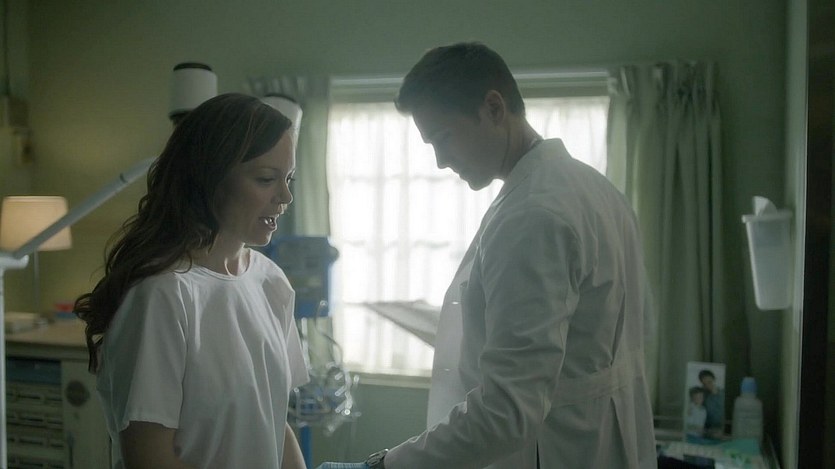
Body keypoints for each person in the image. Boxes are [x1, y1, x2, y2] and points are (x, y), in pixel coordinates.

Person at [319, 42, 656, 469]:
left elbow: (506, 413)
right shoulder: (593, 187)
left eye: (443, 137)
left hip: (557, 448)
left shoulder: (532, 215)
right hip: (609, 437)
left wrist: (384, 466)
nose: (440, 161)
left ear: (494, 108)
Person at [74, 93, 309, 469]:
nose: (285, 196)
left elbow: (273, 424)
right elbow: (151, 458)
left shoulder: (271, 283)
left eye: (289, 178)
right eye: (266, 179)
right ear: (211, 178)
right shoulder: (162, 296)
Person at [698, 368, 725, 439]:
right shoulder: (704, 397)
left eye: (709, 382)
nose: (708, 385)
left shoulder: (723, 394)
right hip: (708, 431)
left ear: (714, 379)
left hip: (722, 430)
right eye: (705, 384)